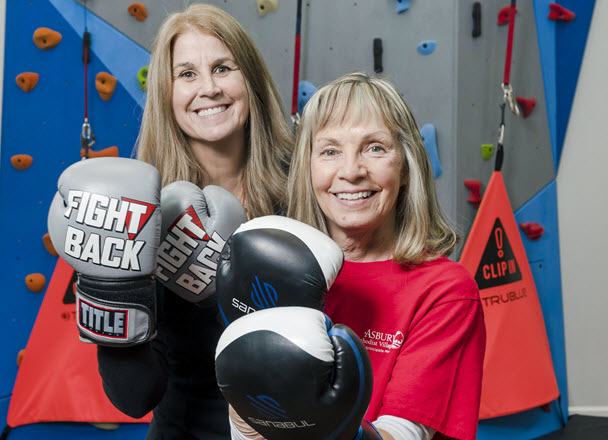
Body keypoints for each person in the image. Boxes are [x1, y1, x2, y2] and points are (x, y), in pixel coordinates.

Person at [95, 4, 293, 439]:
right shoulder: (145, 212)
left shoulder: (303, 187)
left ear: (251, 80)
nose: (208, 88)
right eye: (187, 74)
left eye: (223, 68)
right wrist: (107, 288)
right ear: (167, 93)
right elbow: (135, 396)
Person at [290, 72, 486, 440]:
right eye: (330, 151)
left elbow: (400, 434)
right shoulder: (280, 277)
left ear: (407, 167)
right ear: (308, 168)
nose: (351, 171)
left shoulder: (445, 292)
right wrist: (245, 418)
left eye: (374, 148)